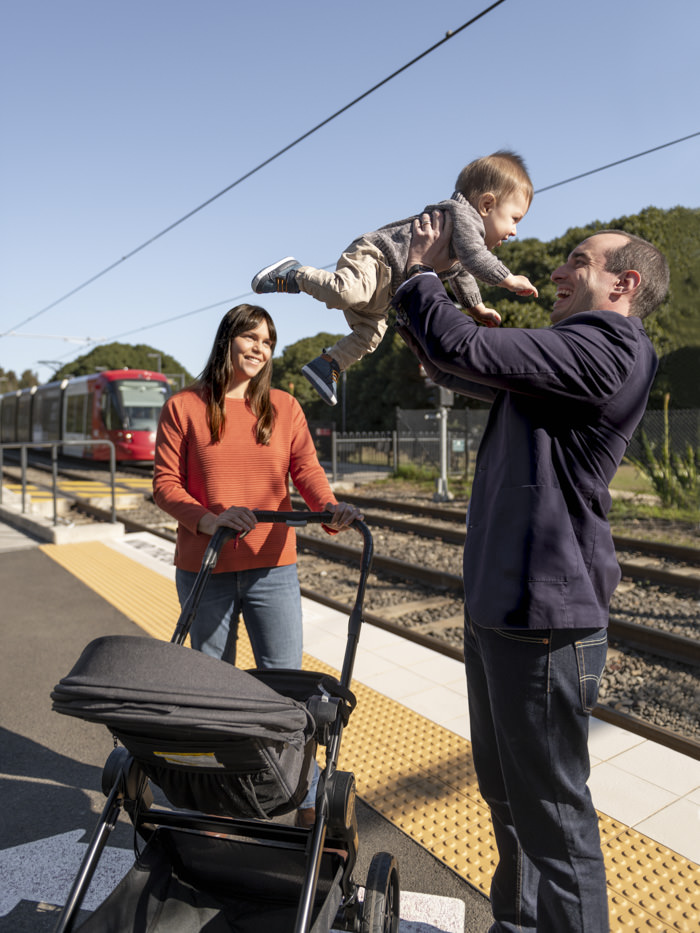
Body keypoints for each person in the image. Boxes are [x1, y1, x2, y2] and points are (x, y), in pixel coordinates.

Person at [392, 211, 669, 933]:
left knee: (552, 819)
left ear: (623, 283)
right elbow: (457, 357)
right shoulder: (568, 358)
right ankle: (517, 924)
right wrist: (441, 318)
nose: (556, 271)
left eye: (577, 260)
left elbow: (463, 347)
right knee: (511, 802)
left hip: (545, 620)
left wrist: (423, 271)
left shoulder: (609, 346)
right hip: (504, 611)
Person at [153, 303, 363, 827]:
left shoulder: (284, 407)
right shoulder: (184, 406)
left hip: (274, 566)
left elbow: (306, 470)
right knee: (213, 684)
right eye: (250, 337)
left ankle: (296, 789)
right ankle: (217, 789)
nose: (259, 349)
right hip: (207, 565)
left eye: (268, 341)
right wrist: (207, 520)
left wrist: (328, 509)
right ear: (227, 340)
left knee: (284, 683)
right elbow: (165, 485)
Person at [251, 151, 538, 406]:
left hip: (386, 291)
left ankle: (328, 365)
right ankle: (294, 274)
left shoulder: (461, 247)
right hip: (377, 259)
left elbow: (464, 276)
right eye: (515, 219)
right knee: (346, 292)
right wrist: (508, 279)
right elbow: (477, 259)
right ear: (487, 205)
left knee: (371, 335)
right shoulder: (462, 217)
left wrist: (476, 308)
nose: (514, 231)